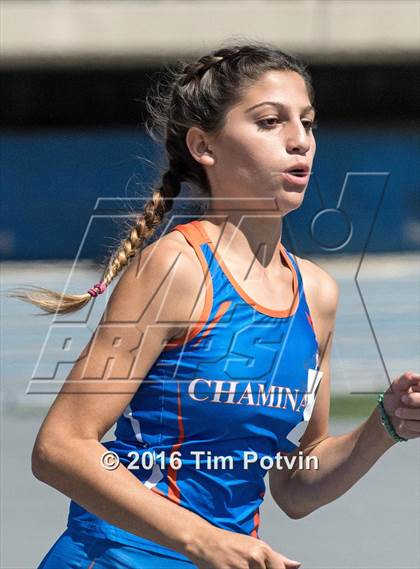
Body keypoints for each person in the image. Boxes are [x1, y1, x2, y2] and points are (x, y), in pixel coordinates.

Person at [8, 41, 420, 569]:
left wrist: (384, 425)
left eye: (308, 122)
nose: (300, 141)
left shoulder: (318, 294)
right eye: (270, 122)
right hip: (115, 559)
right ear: (205, 145)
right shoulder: (177, 268)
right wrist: (201, 540)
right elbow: (61, 448)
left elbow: (296, 487)